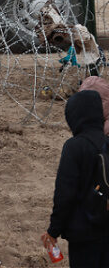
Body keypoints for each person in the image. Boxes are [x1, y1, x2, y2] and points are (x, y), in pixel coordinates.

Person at [41, 90, 109, 267]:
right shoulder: (106, 142)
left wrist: (53, 231)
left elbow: (65, 194)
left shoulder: (75, 146)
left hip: (84, 234)